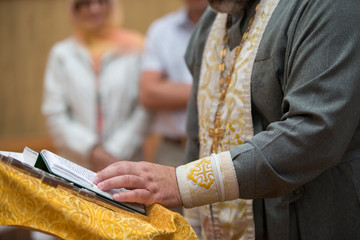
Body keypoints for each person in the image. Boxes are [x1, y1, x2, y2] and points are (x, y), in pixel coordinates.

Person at [94, 0, 360, 239]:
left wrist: (183, 183)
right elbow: (199, 133)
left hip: (310, 217)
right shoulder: (212, 21)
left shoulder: (327, 6)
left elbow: (315, 132)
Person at [42, 0, 149, 172]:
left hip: (126, 162)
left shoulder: (135, 49)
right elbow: (55, 114)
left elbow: (145, 107)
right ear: (75, 10)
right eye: (85, 4)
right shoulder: (61, 54)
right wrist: (91, 149)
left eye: (101, 2)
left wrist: (113, 151)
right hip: (76, 165)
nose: (95, 9)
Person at [140, 0, 208, 167]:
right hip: (173, 151)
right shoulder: (161, 30)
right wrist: (212, 90)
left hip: (224, 151)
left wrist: (171, 89)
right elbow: (149, 94)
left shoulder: (236, 26)